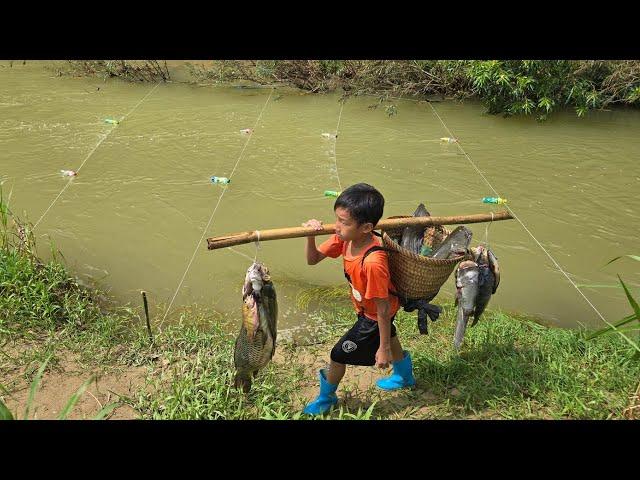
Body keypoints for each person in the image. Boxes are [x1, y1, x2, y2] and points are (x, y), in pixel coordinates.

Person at [301, 183, 416, 416]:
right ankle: (405, 376)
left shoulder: (373, 262)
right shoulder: (345, 238)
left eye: (344, 222)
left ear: (366, 228)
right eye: (337, 219)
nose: (337, 226)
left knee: (337, 355)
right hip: (369, 308)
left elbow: (383, 310)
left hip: (374, 314)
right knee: (390, 333)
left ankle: (326, 398)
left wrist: (382, 349)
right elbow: (312, 260)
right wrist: (310, 237)